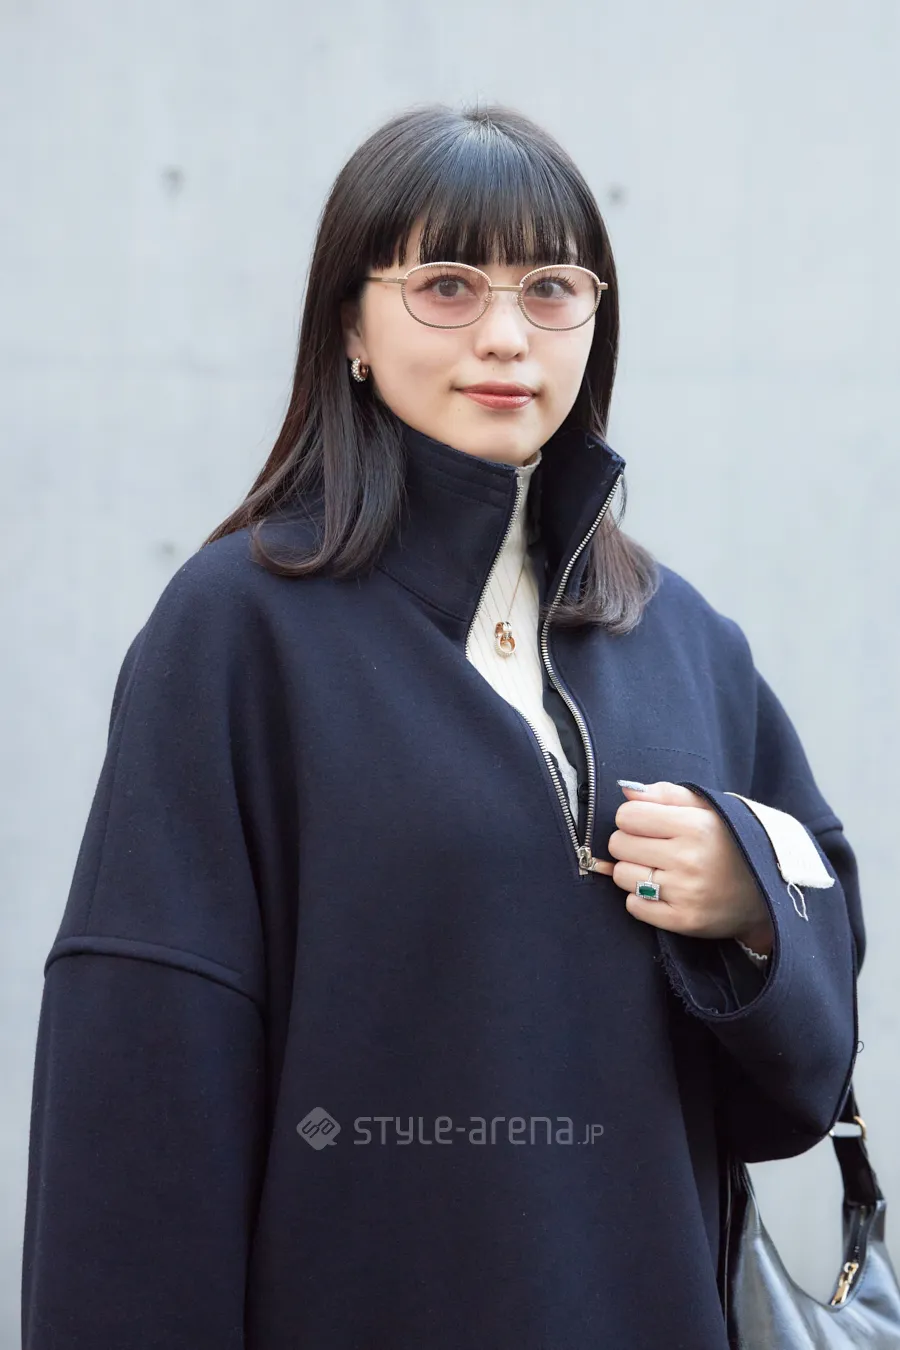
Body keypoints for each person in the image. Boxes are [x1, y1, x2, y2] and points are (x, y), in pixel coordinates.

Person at [22, 102, 864, 1349]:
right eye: (448, 286)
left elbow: (798, 1082)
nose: (507, 336)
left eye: (552, 289)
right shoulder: (239, 630)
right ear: (350, 327)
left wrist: (751, 907)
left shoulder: (682, 640)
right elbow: (143, 1088)